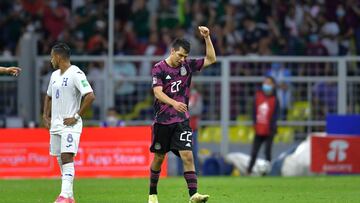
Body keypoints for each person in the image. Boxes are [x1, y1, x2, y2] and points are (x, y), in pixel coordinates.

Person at [148, 26, 216, 203]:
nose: (182, 59)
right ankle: (152, 194)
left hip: (182, 120)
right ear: (172, 51)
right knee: (159, 158)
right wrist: (174, 102)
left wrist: (207, 37)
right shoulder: (159, 68)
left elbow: (211, 59)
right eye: (180, 55)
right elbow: (157, 92)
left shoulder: (187, 65)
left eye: (185, 56)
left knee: (187, 155)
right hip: (163, 120)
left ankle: (193, 195)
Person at [42, 43, 95, 203]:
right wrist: (45, 115)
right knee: (60, 158)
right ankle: (69, 196)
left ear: (58, 57)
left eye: (52, 56)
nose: (51, 60)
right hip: (56, 125)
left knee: (66, 157)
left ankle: (64, 195)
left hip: (70, 125)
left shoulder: (76, 73)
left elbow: (90, 95)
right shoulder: (54, 76)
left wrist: (76, 117)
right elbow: (48, 96)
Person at [247, 76, 278, 175]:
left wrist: (272, 128)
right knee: (254, 151)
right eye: (265, 83)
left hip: (269, 130)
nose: (266, 85)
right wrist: (255, 124)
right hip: (259, 128)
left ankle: (267, 172)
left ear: (273, 85)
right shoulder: (258, 96)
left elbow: (276, 115)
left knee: (267, 152)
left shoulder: (275, 99)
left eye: (269, 83)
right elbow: (253, 111)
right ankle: (249, 171)